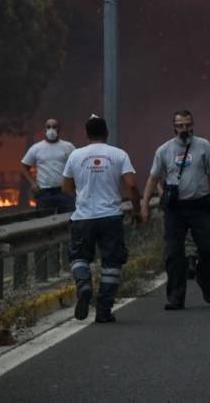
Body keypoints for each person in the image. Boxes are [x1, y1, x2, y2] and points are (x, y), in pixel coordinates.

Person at [61, 115, 142, 324]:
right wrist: (137, 210)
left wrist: (83, 197)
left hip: (83, 218)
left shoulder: (75, 156)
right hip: (111, 218)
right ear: (107, 133)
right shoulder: (119, 154)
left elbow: (66, 187)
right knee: (111, 264)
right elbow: (132, 186)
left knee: (78, 257)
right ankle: (104, 311)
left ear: (86, 134)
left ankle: (84, 285)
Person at [143, 110, 210, 309]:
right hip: (175, 209)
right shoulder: (163, 150)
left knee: (208, 251)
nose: (184, 129)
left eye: (188, 125)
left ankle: (205, 281)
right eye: (180, 126)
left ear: (193, 125)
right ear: (174, 127)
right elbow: (153, 177)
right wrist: (144, 205)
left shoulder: (204, 145)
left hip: (199, 206)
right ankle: (175, 297)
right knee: (174, 254)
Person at [21, 118, 76, 213]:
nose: (51, 129)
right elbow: (24, 167)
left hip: (64, 191)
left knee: (68, 221)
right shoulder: (36, 148)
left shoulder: (68, 146)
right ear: (44, 130)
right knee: (44, 222)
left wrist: (73, 184)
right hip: (43, 192)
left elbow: (77, 166)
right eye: (48, 127)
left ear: (59, 129)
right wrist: (32, 183)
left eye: (54, 127)